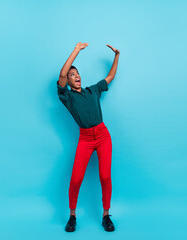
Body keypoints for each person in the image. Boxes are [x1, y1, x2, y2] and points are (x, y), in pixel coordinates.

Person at [57, 42, 120, 232]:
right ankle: (72, 216)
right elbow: (61, 75)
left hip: (102, 135)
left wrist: (117, 56)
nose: (76, 76)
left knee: (105, 176)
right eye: (72, 75)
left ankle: (106, 215)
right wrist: (76, 50)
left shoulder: (93, 90)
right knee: (76, 179)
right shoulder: (67, 97)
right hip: (85, 139)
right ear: (67, 81)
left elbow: (110, 77)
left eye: (77, 74)